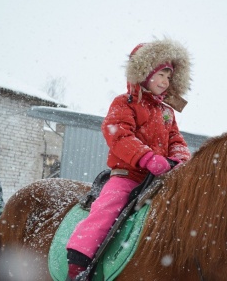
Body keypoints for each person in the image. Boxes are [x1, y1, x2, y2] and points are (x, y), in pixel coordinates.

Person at [66, 38, 192, 280]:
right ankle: (78, 265)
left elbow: (176, 139)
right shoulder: (124, 103)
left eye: (169, 77)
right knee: (107, 209)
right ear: (144, 73)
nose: (165, 82)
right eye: (161, 75)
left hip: (160, 179)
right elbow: (118, 133)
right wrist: (146, 158)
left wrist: (179, 158)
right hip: (128, 176)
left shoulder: (167, 112)